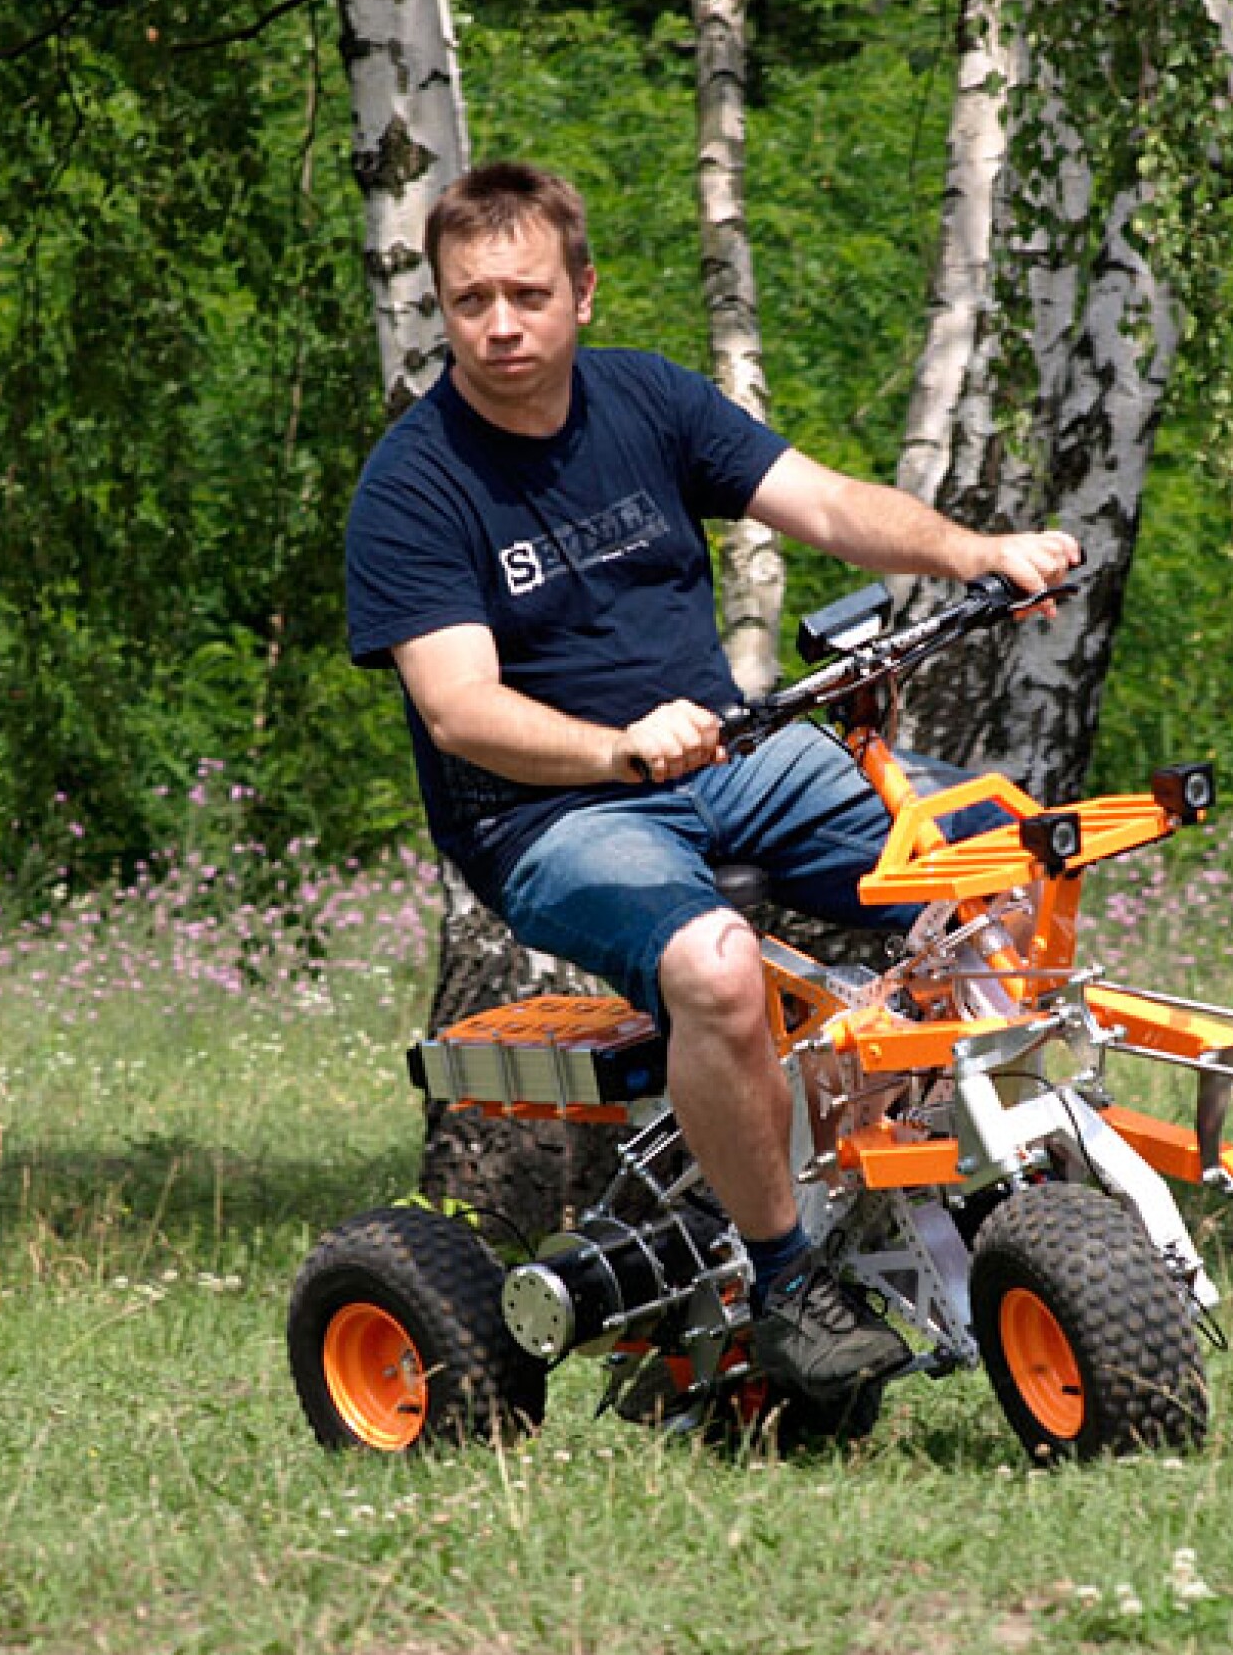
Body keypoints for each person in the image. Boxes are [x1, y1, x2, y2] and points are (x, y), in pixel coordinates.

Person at [344, 161, 1078, 1404]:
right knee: (716, 968)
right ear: (443, 310)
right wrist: (615, 748)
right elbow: (458, 711)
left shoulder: (646, 401)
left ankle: (987, 1175)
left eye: (528, 292)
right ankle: (789, 1279)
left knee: (997, 863)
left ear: (583, 289)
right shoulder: (415, 484)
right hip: (552, 812)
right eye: (471, 300)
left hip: (730, 759)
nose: (502, 323)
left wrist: (979, 553)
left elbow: (829, 504)